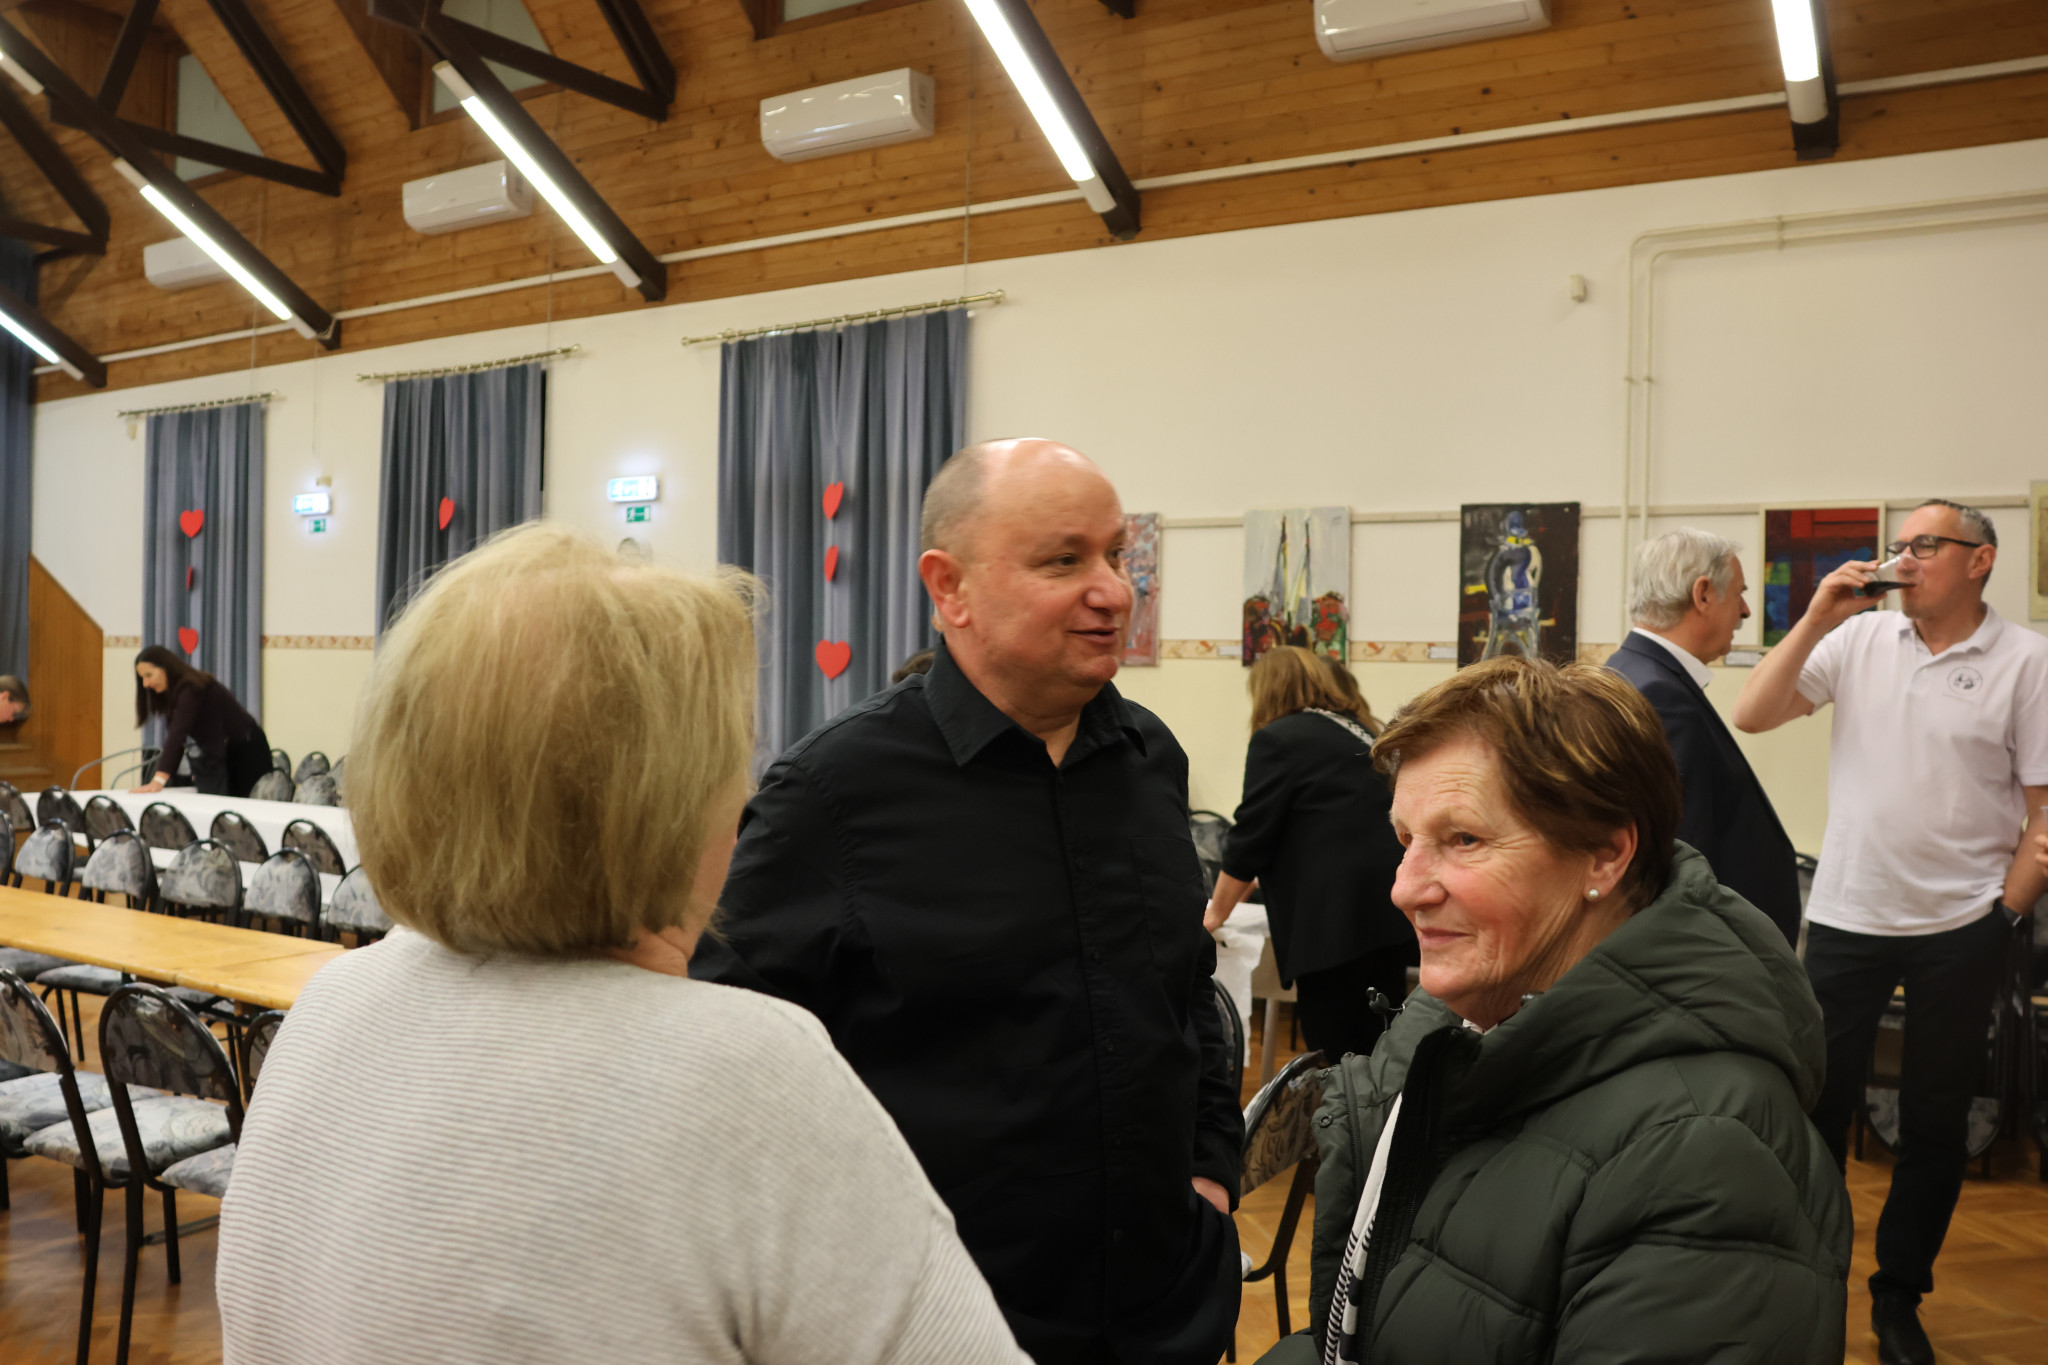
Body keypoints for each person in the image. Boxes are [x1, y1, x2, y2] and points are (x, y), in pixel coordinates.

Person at [216, 524, 1028, 1365]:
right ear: (664, 803)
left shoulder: (335, 1000)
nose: (746, 790)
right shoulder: (746, 1071)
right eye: (733, 760)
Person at [694, 438, 1243, 1365]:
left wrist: (1211, 1171)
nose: (1113, 590)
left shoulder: (1151, 759)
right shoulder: (834, 794)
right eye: (1064, 560)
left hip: (1165, 1313)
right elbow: (729, 1054)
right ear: (950, 588)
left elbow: (1185, 991)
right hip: (945, 1329)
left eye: (1117, 554)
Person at [1257, 656, 1851, 1365]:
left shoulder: (1708, 1160)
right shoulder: (1447, 1029)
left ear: (1604, 855)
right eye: (1406, 840)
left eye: (1464, 839)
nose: (1405, 888)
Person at [1733, 497, 2047, 1365]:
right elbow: (1753, 712)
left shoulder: (2027, 661)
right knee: (1814, 1111)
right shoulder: (1860, 638)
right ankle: (1811, 1278)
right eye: (1897, 544)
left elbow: (2043, 810)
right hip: (1848, 916)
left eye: (1925, 545)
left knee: (1935, 1123)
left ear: (1980, 559)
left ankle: (1899, 1296)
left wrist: (2005, 914)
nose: (1902, 559)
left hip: (1964, 926)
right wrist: (1816, 616)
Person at [1203, 647, 1413, 1063]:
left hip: (1332, 922)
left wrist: (1215, 915)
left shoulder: (1278, 738)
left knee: (1333, 1053)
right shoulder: (1357, 728)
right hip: (1388, 911)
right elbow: (1330, 822)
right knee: (1379, 1046)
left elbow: (1251, 836)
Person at [1605, 528, 1801, 945]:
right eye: (1740, 593)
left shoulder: (1627, 670)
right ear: (1704, 594)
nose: (1746, 610)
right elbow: (1681, 859)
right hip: (1707, 950)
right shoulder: (1662, 696)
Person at [129, 645, 271, 797]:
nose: (145, 684)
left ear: (166, 668)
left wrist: (159, 779)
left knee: (246, 805)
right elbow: (177, 739)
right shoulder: (176, 693)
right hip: (224, 750)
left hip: (247, 750)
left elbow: (178, 734)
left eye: (149, 675)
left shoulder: (191, 687)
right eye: (142, 678)